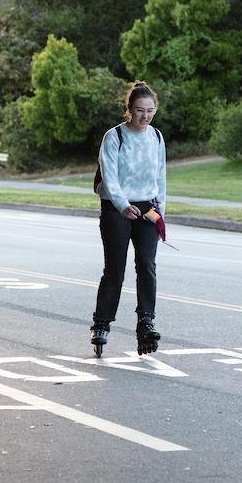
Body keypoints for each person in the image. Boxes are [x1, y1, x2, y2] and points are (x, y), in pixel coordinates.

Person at [90, 81, 167, 357]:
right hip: (115, 208)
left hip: (147, 209)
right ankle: (102, 323)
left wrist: (161, 212)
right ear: (129, 110)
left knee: (147, 265)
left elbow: (160, 178)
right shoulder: (115, 137)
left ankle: (146, 321)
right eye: (139, 110)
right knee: (115, 270)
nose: (145, 116)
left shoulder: (157, 137)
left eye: (150, 110)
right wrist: (122, 205)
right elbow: (109, 176)